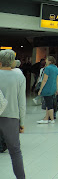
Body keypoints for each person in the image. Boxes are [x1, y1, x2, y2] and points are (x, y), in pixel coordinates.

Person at [0, 50, 26, 179]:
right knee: (15, 151)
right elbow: (22, 101)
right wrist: (22, 122)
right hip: (11, 117)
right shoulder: (19, 76)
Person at [37, 56, 58, 124]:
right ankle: (46, 118)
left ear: (49, 61)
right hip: (53, 88)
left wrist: (40, 89)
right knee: (48, 103)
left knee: (49, 104)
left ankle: (52, 119)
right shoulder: (56, 69)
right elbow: (57, 80)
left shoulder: (47, 68)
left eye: (46, 60)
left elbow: (44, 80)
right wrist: (57, 89)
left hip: (47, 88)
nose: (45, 61)